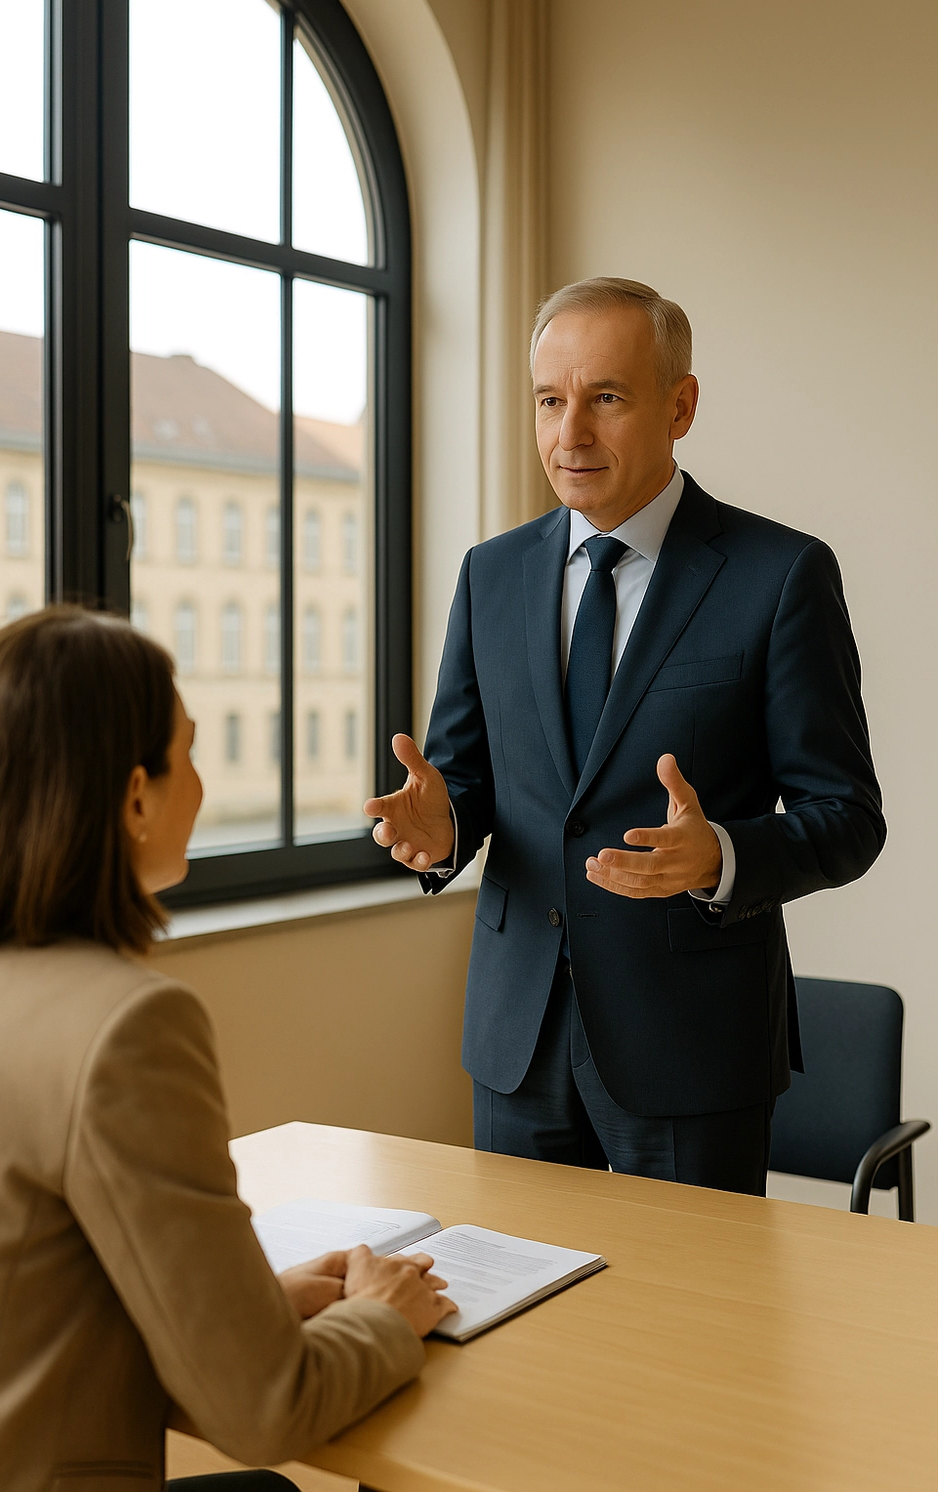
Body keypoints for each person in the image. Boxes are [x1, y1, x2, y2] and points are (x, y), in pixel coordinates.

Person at [365, 277, 885, 1196]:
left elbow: (846, 816)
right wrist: (442, 832)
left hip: (693, 1045)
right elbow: (470, 784)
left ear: (680, 406)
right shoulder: (491, 575)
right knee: (521, 1322)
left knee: (695, 1332)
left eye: (606, 398)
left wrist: (718, 855)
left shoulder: (781, 574)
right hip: (516, 1036)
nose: (571, 435)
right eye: (551, 401)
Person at [0, 606, 456, 1492]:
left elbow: (16, 1295)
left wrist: (258, 1306)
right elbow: (264, 1411)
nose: (204, 788)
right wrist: (382, 1316)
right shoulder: (124, 1026)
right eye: (189, 753)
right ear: (135, 797)